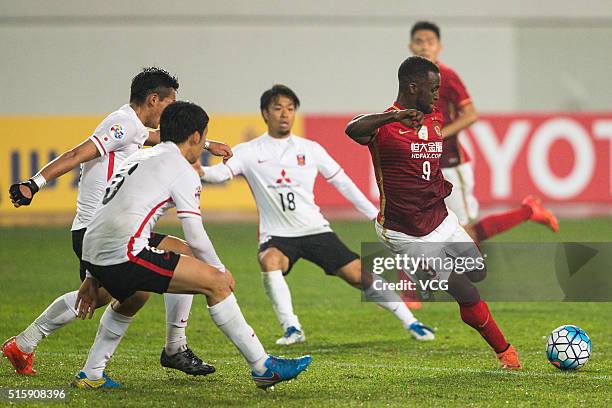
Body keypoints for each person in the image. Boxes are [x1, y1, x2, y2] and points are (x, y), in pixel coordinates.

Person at [2, 67, 230, 379]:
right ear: (153, 100)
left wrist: (206, 144)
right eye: (169, 103)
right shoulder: (121, 122)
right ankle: (31, 345)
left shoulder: (132, 124)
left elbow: (157, 137)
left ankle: (167, 350)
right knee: (105, 295)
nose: (172, 111)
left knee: (139, 289)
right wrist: (34, 184)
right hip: (98, 229)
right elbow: (75, 154)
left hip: (118, 228)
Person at [71, 101, 311, 389]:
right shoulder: (181, 170)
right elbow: (195, 234)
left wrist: (91, 274)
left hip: (95, 248)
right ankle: (263, 367)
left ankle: (92, 374)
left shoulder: (141, 158)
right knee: (216, 284)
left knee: (136, 295)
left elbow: (101, 214)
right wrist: (220, 270)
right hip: (123, 254)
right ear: (196, 137)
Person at [197, 84, 435, 345]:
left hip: (316, 230)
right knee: (269, 260)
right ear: (265, 114)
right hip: (278, 236)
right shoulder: (249, 151)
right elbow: (218, 175)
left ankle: (411, 321)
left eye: (290, 108)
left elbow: (343, 183)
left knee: (359, 274)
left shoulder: (310, 149)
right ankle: (292, 329)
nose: (285, 114)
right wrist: (200, 168)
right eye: (278, 108)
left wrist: (374, 214)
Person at [345, 56, 522, 369]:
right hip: (406, 233)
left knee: (478, 271)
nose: (438, 94)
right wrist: (393, 117)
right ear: (413, 87)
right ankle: (506, 353)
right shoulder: (384, 126)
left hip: (441, 220)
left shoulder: (435, 117)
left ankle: (426, 272)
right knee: (466, 292)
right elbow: (352, 129)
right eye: (433, 88)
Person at [409, 21, 558, 242]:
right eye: (419, 42)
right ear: (411, 46)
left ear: (439, 46)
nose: (424, 47)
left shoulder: (447, 76)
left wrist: (439, 134)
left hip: (450, 163)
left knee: (465, 233)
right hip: (424, 163)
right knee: (422, 232)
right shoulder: (409, 79)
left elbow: (470, 114)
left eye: (430, 42)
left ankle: (527, 211)